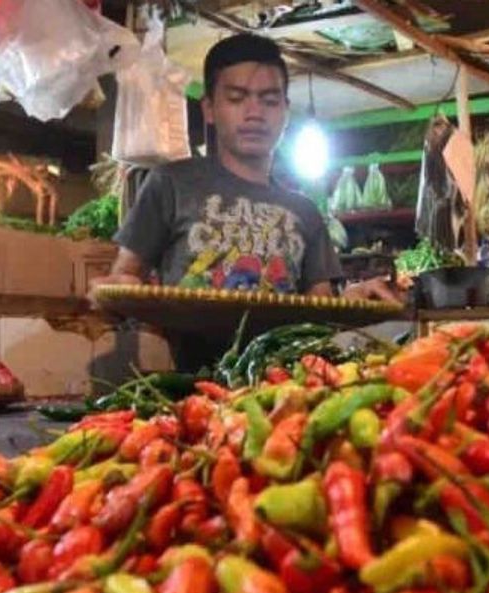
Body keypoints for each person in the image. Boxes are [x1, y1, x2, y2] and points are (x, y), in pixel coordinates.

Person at [90, 34, 398, 370]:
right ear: (209, 108)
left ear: (285, 110)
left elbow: (318, 310)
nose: (254, 113)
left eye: (269, 100)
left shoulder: (305, 212)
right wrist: (119, 291)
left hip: (282, 386)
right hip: (187, 389)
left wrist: (351, 299)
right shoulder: (171, 183)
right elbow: (124, 278)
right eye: (236, 98)